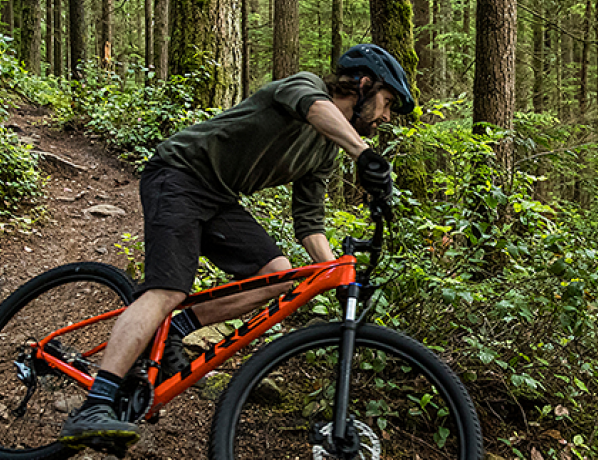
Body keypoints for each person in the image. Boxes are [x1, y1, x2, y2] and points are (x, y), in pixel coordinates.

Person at [57, 44, 414, 449]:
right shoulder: (306, 87)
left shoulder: (324, 152)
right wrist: (364, 155)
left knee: (278, 277)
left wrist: (336, 275)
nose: (385, 117)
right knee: (168, 289)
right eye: (386, 103)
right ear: (364, 84)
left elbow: (310, 223)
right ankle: (96, 402)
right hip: (178, 174)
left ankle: (175, 327)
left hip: (219, 198)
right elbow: (313, 106)